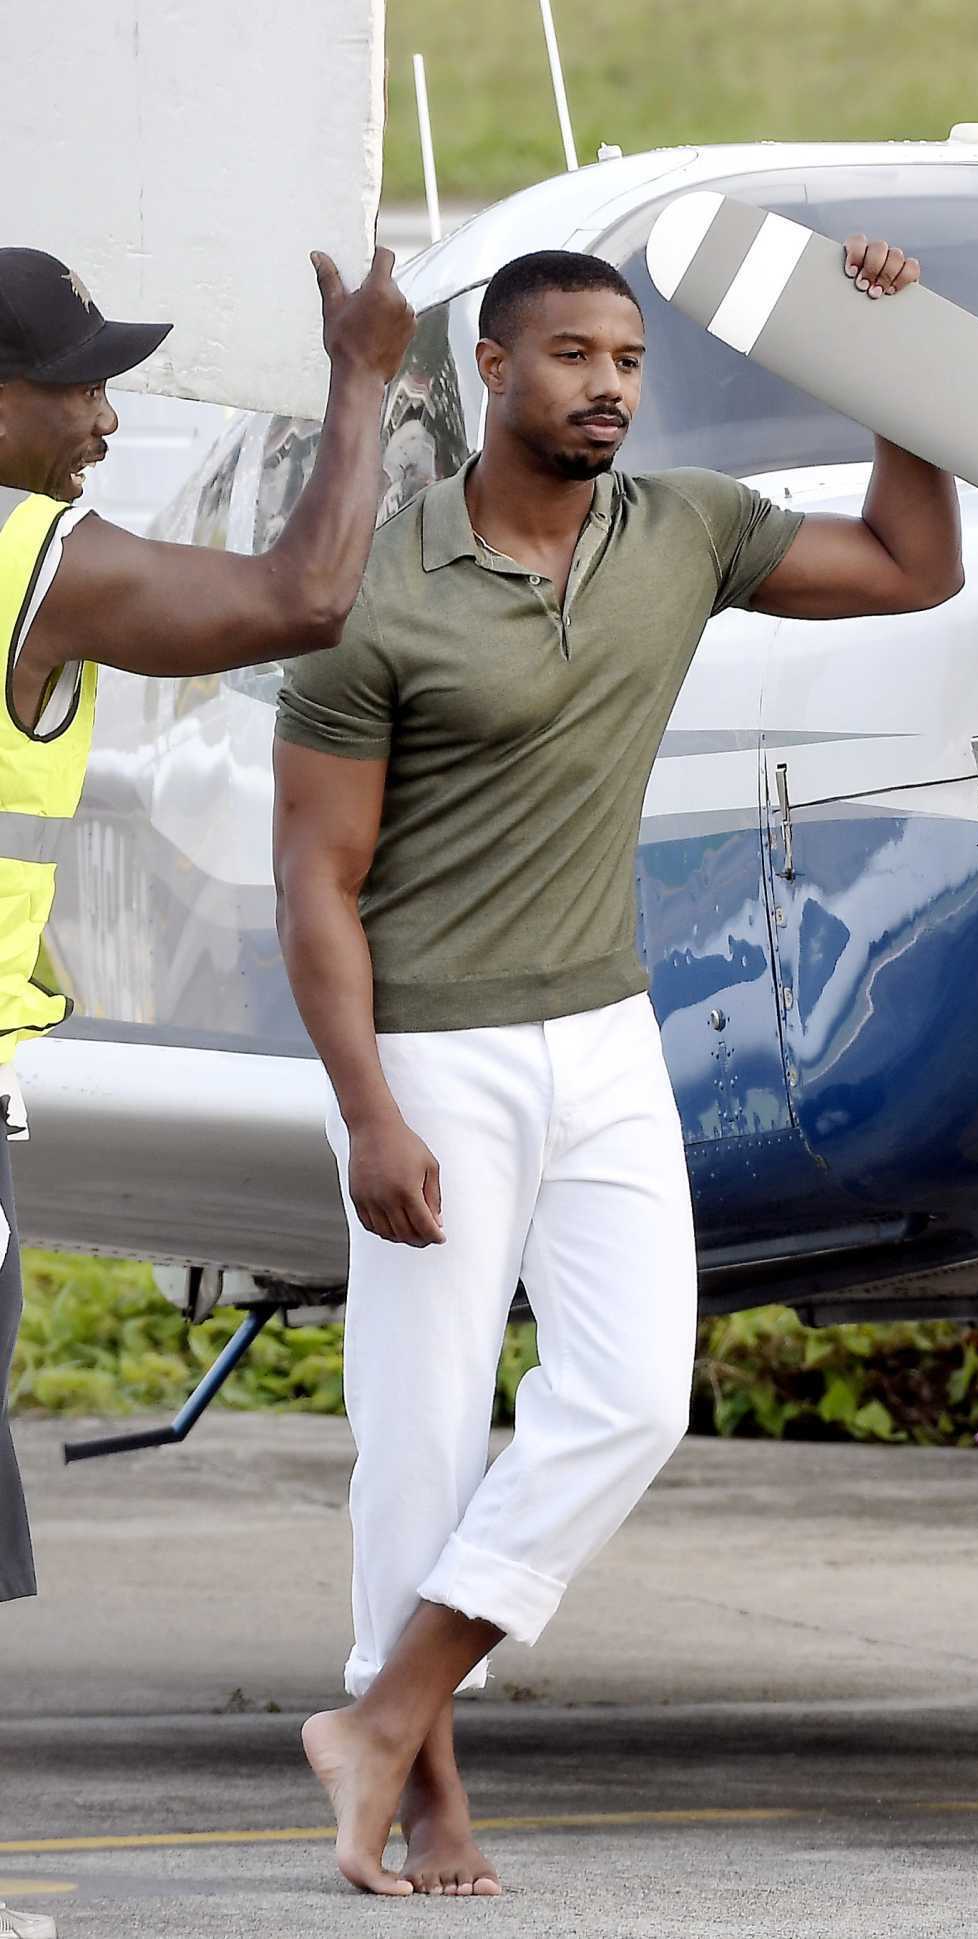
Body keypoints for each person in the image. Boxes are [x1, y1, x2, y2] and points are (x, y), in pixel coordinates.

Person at [273, 237, 963, 1900]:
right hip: (432, 1048)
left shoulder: (684, 533)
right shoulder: (378, 588)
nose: (608, 389)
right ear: (492, 369)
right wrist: (368, 1112)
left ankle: (381, 1716)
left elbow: (910, 566)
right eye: (574, 356)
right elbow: (315, 881)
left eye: (630, 362)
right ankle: (424, 1795)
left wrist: (898, 367)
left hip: (602, 1034)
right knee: (421, 1434)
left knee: (637, 1398)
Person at [0, 245, 414, 1623]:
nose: (107, 417)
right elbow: (307, 597)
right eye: (78, 388)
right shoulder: (31, 559)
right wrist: (361, 376)